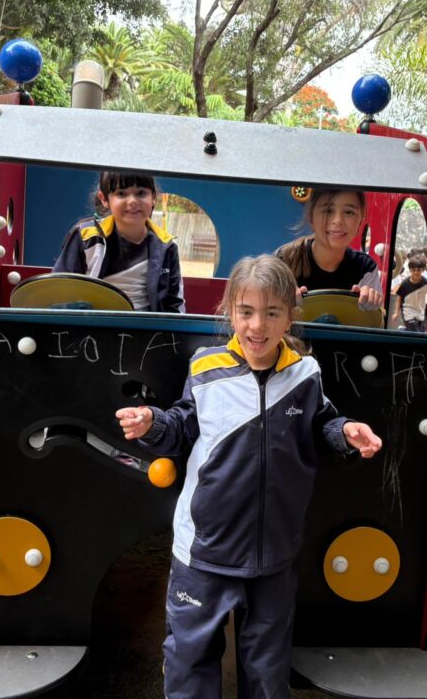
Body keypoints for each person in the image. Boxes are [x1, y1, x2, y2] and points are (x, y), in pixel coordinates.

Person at [115, 255, 382, 699]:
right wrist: (152, 423)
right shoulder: (206, 369)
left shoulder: (305, 374)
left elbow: (322, 423)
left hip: (274, 553)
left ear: (290, 316)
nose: (258, 326)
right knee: (190, 661)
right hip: (204, 551)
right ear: (229, 313)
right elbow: (181, 427)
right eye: (246, 312)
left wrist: (346, 432)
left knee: (267, 670)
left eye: (272, 312)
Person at [52, 171, 184, 312]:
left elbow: (175, 305)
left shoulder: (167, 246)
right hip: (93, 321)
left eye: (141, 193)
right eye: (121, 193)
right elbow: (59, 290)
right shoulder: (86, 237)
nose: (132, 201)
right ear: (104, 199)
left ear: (153, 197)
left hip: (146, 324)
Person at [275, 190, 382, 310]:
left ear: (360, 222)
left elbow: (374, 318)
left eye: (349, 212)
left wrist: (370, 303)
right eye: (328, 211)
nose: (338, 220)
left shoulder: (366, 268)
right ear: (311, 218)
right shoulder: (283, 261)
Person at [390, 253, 427, 332]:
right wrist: (396, 312)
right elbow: (399, 298)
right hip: (408, 312)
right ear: (410, 270)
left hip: (420, 311)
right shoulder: (405, 283)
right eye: (413, 270)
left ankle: (402, 330)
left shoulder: (426, 283)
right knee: (415, 330)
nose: (416, 272)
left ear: (422, 270)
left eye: (418, 270)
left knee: (421, 331)